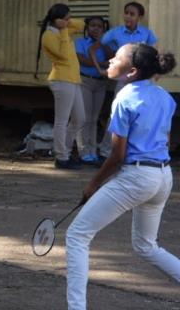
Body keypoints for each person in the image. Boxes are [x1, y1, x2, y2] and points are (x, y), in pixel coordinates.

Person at [65, 43, 180, 309]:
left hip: (137, 177)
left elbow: (117, 156)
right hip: (163, 177)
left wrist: (93, 184)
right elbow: (166, 140)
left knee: (77, 235)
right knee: (145, 245)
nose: (109, 61)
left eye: (115, 58)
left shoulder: (125, 97)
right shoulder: (165, 96)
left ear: (132, 71)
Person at [98, 1, 159, 157]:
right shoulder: (116, 32)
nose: (128, 16)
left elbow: (154, 54)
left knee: (140, 113)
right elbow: (99, 44)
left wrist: (155, 73)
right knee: (116, 113)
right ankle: (106, 151)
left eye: (132, 14)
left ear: (140, 17)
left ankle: (130, 150)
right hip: (124, 79)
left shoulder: (146, 33)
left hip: (142, 78)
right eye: (126, 13)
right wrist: (110, 59)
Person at [35, 3, 86, 170]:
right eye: (65, 19)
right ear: (55, 20)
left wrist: (66, 23)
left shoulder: (62, 29)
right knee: (62, 120)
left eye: (69, 18)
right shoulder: (49, 36)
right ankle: (61, 156)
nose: (69, 21)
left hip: (73, 80)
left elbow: (81, 25)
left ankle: (66, 151)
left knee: (80, 118)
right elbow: (63, 56)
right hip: (61, 79)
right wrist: (64, 30)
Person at [74, 16, 112, 165]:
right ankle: (83, 152)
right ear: (87, 27)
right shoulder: (80, 43)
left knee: (94, 118)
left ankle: (92, 150)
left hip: (101, 83)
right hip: (85, 81)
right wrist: (102, 64)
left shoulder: (106, 44)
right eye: (92, 26)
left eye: (99, 26)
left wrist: (102, 43)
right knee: (85, 118)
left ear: (103, 29)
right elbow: (83, 60)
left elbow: (113, 58)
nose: (95, 29)